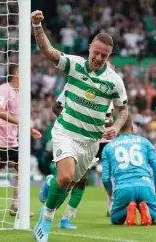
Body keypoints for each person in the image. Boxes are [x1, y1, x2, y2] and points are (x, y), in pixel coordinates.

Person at [31, 10, 128, 242]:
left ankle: (50, 183)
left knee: (70, 183)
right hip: (66, 132)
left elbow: (123, 109)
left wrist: (117, 125)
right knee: (65, 178)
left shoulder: (114, 81)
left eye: (103, 56)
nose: (98, 58)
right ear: (90, 48)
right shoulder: (75, 65)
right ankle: (47, 217)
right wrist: (37, 26)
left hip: (91, 142)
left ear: (109, 55)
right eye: (96, 52)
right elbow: (48, 52)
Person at [39, 88, 114, 229]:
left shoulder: (108, 89)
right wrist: (76, 122)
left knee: (80, 181)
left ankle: (63, 217)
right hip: (75, 138)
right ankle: (51, 211)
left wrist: (109, 123)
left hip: (97, 142)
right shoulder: (76, 84)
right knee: (74, 179)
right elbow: (56, 107)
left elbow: (109, 117)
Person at [0, 64, 41, 218]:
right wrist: (23, 125)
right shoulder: (3, 89)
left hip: (12, 140)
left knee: (22, 170)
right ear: (16, 72)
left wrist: (29, 130)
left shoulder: (20, 93)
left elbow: (18, 119)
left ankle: (16, 205)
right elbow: (0, 112)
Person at [102, 116, 156, 226]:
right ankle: (142, 207)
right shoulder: (145, 142)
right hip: (145, 184)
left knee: (115, 219)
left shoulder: (108, 147)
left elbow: (105, 178)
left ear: (117, 127)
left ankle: (129, 209)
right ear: (132, 126)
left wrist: (111, 197)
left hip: (123, 187)